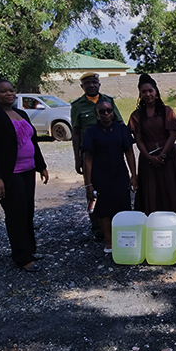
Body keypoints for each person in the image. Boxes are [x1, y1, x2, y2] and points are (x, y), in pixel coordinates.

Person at [0, 79, 49, 272]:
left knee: (28, 211)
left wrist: (41, 166)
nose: (9, 94)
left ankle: (29, 250)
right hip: (8, 173)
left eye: (11, 90)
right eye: (3, 91)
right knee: (17, 213)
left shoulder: (21, 113)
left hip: (28, 170)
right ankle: (22, 257)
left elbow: (33, 141)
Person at [71, 72, 123, 239]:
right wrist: (77, 157)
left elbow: (119, 123)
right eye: (87, 83)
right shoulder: (78, 105)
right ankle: (97, 228)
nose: (91, 85)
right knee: (93, 190)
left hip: (110, 152)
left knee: (115, 191)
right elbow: (76, 132)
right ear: (82, 87)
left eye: (94, 82)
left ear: (99, 84)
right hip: (91, 154)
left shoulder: (108, 101)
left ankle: (116, 224)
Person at [129, 73, 176, 215]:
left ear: (156, 93)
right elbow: (138, 139)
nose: (148, 94)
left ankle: (173, 222)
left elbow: (173, 134)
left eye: (150, 90)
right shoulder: (136, 115)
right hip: (147, 158)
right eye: (144, 92)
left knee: (170, 189)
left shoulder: (166, 111)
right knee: (152, 190)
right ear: (140, 94)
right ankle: (153, 223)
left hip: (168, 157)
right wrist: (149, 158)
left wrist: (162, 155)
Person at [82, 100, 137, 253]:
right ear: (97, 114)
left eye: (109, 110)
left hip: (120, 173)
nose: (106, 114)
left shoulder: (121, 129)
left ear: (113, 111)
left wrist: (134, 175)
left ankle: (125, 238)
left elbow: (129, 152)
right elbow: (88, 158)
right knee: (103, 207)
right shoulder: (91, 132)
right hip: (100, 174)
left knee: (123, 205)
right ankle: (109, 241)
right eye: (102, 111)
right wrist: (88, 184)